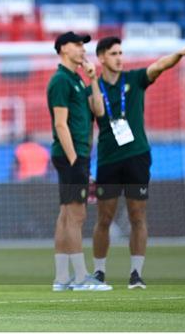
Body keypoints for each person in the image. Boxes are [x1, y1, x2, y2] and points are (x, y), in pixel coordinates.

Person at [92, 37, 185, 289]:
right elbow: (92, 118)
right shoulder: (94, 89)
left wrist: (179, 54)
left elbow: (159, 66)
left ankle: (136, 274)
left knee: (137, 215)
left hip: (137, 156)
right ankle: (98, 272)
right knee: (104, 218)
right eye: (113, 53)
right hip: (108, 159)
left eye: (121, 52)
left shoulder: (135, 79)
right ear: (101, 58)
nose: (119, 57)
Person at [47, 31, 111, 291]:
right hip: (71, 155)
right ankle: (82, 276)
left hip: (76, 155)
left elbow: (99, 110)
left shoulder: (75, 79)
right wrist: (75, 162)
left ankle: (62, 278)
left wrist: (94, 79)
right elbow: (60, 124)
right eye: (77, 44)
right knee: (76, 215)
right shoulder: (61, 80)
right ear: (63, 48)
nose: (83, 49)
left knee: (66, 215)